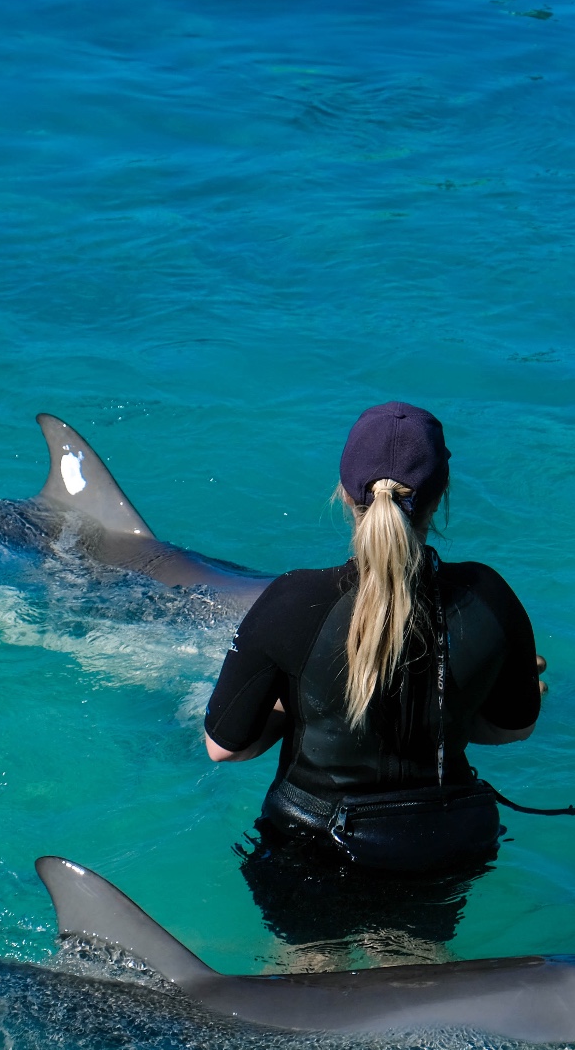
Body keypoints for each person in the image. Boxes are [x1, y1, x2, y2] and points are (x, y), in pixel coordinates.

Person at [202, 402, 547, 963]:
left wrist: (302, 700)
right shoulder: (489, 597)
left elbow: (225, 747)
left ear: (346, 495)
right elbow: (512, 729)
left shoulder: (294, 601)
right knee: (410, 1010)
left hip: (313, 851)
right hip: (436, 849)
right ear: (441, 497)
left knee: (308, 1006)